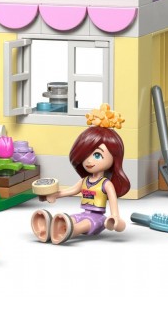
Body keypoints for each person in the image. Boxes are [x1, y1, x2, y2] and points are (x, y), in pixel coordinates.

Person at [30, 104, 130, 245]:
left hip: (98, 219)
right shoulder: (85, 181)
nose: (88, 161)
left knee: (83, 225)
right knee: (71, 218)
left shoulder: (106, 184)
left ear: (114, 157)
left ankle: (68, 231)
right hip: (83, 213)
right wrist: (54, 195)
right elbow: (70, 191)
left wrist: (115, 218)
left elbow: (113, 204)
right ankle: (49, 228)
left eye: (97, 155)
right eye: (85, 155)